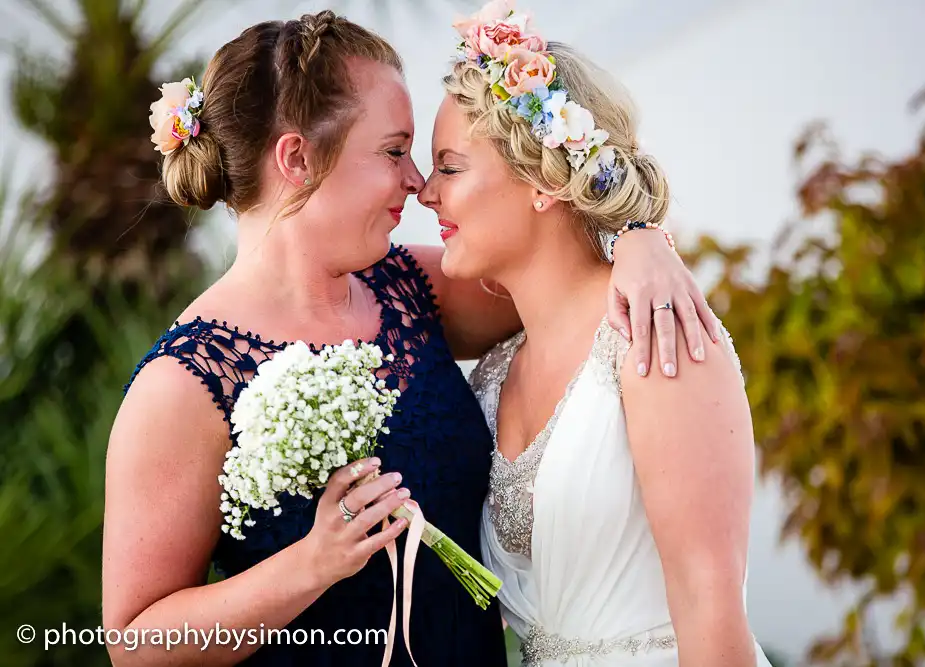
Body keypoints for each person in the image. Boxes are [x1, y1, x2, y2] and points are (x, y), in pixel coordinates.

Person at [101, 10, 717, 667]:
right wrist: (310, 564)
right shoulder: (184, 381)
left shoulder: (409, 288)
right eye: (394, 150)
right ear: (298, 157)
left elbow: (559, 268)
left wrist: (640, 240)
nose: (417, 181)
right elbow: (135, 640)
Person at [419, 2, 774, 665]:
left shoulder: (653, 335)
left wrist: (642, 236)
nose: (425, 193)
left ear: (539, 182)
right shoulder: (493, 371)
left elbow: (709, 605)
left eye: (449, 166)